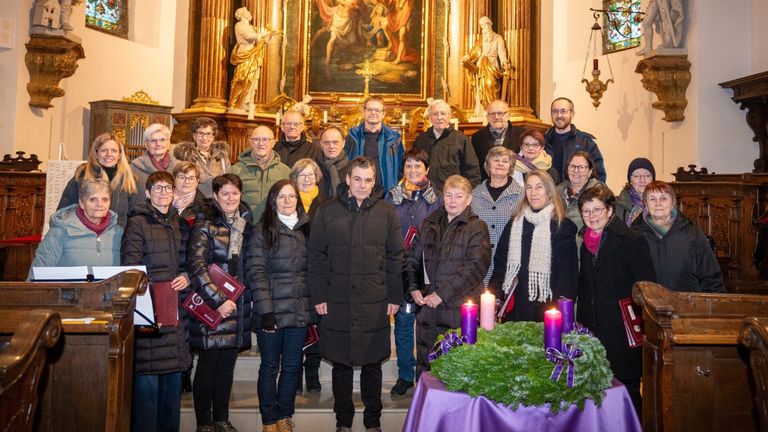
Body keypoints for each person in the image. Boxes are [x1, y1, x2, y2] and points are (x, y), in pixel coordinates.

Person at [308, 157, 404, 432]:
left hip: (374, 299)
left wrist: (394, 296)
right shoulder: (327, 211)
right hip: (337, 298)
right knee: (341, 364)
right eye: (358, 179)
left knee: (373, 364)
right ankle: (343, 422)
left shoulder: (386, 212)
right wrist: (319, 296)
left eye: (368, 179)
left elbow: (395, 256)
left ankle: (373, 421)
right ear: (347, 179)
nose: (363, 185)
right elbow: (316, 256)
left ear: (374, 182)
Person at [577, 184, 656, 416]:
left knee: (627, 391)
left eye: (597, 210)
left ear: (610, 211)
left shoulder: (631, 241)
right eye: (586, 211)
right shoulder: (586, 244)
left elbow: (647, 286)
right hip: (593, 327)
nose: (592, 216)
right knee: (597, 392)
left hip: (622, 328)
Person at [121, 171, 190, 432]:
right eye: (157, 188)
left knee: (171, 398)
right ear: (147, 193)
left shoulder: (180, 224)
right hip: (149, 314)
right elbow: (130, 266)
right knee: (146, 397)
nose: (163, 192)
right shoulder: (137, 223)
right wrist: (151, 293)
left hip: (175, 314)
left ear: (174, 193)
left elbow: (189, 262)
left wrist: (187, 276)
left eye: (168, 188)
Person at [405, 175, 490, 376]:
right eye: (448, 195)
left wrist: (441, 295)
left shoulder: (477, 227)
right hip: (428, 308)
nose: (452, 201)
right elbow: (411, 259)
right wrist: (413, 287)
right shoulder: (429, 223)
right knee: (427, 366)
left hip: (459, 309)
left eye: (458, 196)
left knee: (455, 367)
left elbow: (475, 268)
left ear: (468, 199)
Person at [187, 174, 253, 432]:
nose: (230, 198)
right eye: (224, 193)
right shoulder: (205, 225)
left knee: (227, 366)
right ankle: (203, 423)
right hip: (213, 304)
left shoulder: (247, 224)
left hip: (237, 305)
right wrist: (218, 300)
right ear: (215, 196)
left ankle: (221, 419)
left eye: (235, 193)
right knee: (207, 367)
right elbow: (197, 266)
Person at [246, 180, 313, 432]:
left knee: (293, 366)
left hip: (298, 311)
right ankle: (268, 420)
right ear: (273, 200)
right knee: (270, 367)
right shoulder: (262, 230)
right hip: (271, 312)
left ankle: (285, 416)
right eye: (282, 197)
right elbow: (256, 271)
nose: (287, 201)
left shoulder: (306, 228)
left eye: (292, 196)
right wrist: (266, 311)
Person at [384, 148, 442, 396]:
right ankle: (406, 374)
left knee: (429, 325)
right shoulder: (392, 197)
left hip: (429, 268)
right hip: (402, 269)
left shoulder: (437, 198)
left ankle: (430, 374)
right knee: (404, 324)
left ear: (426, 169)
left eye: (418, 166)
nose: (413, 171)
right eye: (408, 166)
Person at [488, 171, 578, 322]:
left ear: (549, 191)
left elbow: (567, 279)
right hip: (516, 309)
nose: (533, 192)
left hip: (548, 310)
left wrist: (559, 315)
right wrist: (494, 297)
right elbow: (500, 265)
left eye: (539, 187)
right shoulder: (514, 223)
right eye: (529, 187)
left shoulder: (562, 227)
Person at [633, 181, 725, 293]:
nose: (658, 203)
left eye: (663, 198)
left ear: (673, 202)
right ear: (645, 204)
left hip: (687, 305)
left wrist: (714, 305)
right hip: (648, 306)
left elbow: (710, 274)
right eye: (652, 199)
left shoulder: (691, 232)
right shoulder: (635, 234)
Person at [31, 178, 122, 277]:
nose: (99, 204)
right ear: (82, 203)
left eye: (104, 199)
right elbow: (38, 272)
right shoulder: (60, 230)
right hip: (68, 292)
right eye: (93, 199)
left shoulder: (118, 232)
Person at [289, 158, 326, 394]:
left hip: (318, 270)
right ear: (294, 178)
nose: (306, 179)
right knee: (297, 324)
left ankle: (312, 374)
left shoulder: (325, 202)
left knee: (317, 322)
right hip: (294, 271)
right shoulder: (287, 200)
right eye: (302, 175)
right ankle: (295, 374)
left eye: (310, 174)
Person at [57, 132, 138, 228]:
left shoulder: (128, 180)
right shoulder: (82, 177)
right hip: (85, 236)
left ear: (120, 155)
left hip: (117, 237)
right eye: (104, 150)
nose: (109, 154)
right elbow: (65, 212)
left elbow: (134, 216)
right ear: (96, 153)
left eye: (114, 151)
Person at [470, 146, 524, 286]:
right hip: (479, 263)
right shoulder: (475, 194)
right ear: (488, 165)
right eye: (496, 160)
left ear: (511, 167)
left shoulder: (522, 195)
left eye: (505, 161)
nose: (500, 163)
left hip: (509, 262)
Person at [413, 99, 482, 191]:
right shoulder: (421, 140)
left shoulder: (461, 140)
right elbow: (413, 168)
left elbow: (473, 171)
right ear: (429, 117)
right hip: (425, 194)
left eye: (443, 113)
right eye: (435, 114)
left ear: (449, 116)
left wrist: (466, 194)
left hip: (453, 195)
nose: (439, 117)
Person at [231, 125, 291, 222]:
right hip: (244, 228)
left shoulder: (285, 172)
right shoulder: (235, 170)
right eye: (256, 139)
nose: (261, 143)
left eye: (265, 139)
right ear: (250, 142)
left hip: (274, 228)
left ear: (273, 143)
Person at [345, 96, 404, 193]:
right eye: (370, 109)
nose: (373, 113)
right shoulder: (352, 136)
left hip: (386, 193)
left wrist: (393, 184)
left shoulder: (394, 138)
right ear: (364, 112)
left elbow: (401, 167)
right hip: (359, 191)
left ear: (383, 113)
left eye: (377, 110)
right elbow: (345, 164)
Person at [544, 97, 607, 182]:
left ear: (572, 114)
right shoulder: (542, 142)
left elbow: (599, 177)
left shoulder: (586, 143)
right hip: (549, 194)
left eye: (563, 111)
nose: (559, 115)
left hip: (580, 194)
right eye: (555, 111)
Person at [228, 7, 276, 111]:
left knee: (252, 79)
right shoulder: (239, 25)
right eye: (247, 11)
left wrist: (270, 34)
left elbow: (262, 41)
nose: (250, 13)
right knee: (241, 78)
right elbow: (249, 36)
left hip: (253, 54)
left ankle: (246, 102)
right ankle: (235, 103)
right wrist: (262, 34)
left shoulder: (251, 27)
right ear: (242, 14)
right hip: (244, 53)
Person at [461, 17, 510, 114]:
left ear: (490, 25)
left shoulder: (498, 38)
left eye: (485, 26)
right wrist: (467, 57)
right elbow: (473, 52)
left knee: (491, 85)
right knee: (481, 89)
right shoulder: (480, 40)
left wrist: (504, 62)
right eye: (482, 27)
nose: (484, 29)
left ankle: (493, 110)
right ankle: (484, 110)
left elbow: (502, 52)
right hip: (481, 68)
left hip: (492, 67)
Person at [173, 117, 231, 198]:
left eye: (208, 134)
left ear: (213, 136)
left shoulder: (222, 156)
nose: (204, 138)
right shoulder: (185, 155)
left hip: (218, 201)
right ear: (194, 135)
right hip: (194, 201)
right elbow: (179, 182)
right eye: (200, 133)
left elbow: (228, 180)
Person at [470, 99, 525, 181]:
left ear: (508, 115)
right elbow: (475, 167)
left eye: (500, 113)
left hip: (515, 185)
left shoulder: (521, 134)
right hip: (487, 186)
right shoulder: (477, 138)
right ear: (487, 117)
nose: (496, 117)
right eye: (492, 114)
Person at [556, 151, 606, 233]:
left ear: (590, 172)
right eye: (572, 166)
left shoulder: (599, 192)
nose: (576, 171)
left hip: (585, 244)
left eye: (581, 167)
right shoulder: (558, 191)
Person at [130, 123, 180, 194]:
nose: (158, 144)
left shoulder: (179, 167)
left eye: (162, 140)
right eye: (153, 140)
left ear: (168, 143)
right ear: (146, 144)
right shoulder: (132, 168)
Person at [616, 157, 655, 226]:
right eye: (637, 176)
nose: (642, 180)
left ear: (653, 179)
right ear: (630, 180)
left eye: (647, 176)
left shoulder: (662, 204)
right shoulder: (617, 205)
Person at [172, 162, 208, 229]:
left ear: (197, 182)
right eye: (182, 177)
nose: (187, 181)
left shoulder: (203, 206)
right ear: (174, 179)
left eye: (191, 178)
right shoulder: (163, 198)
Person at [317, 126, 350, 198]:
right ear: (321, 144)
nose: (331, 146)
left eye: (335, 142)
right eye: (326, 142)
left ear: (343, 143)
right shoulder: (314, 168)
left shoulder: (353, 168)